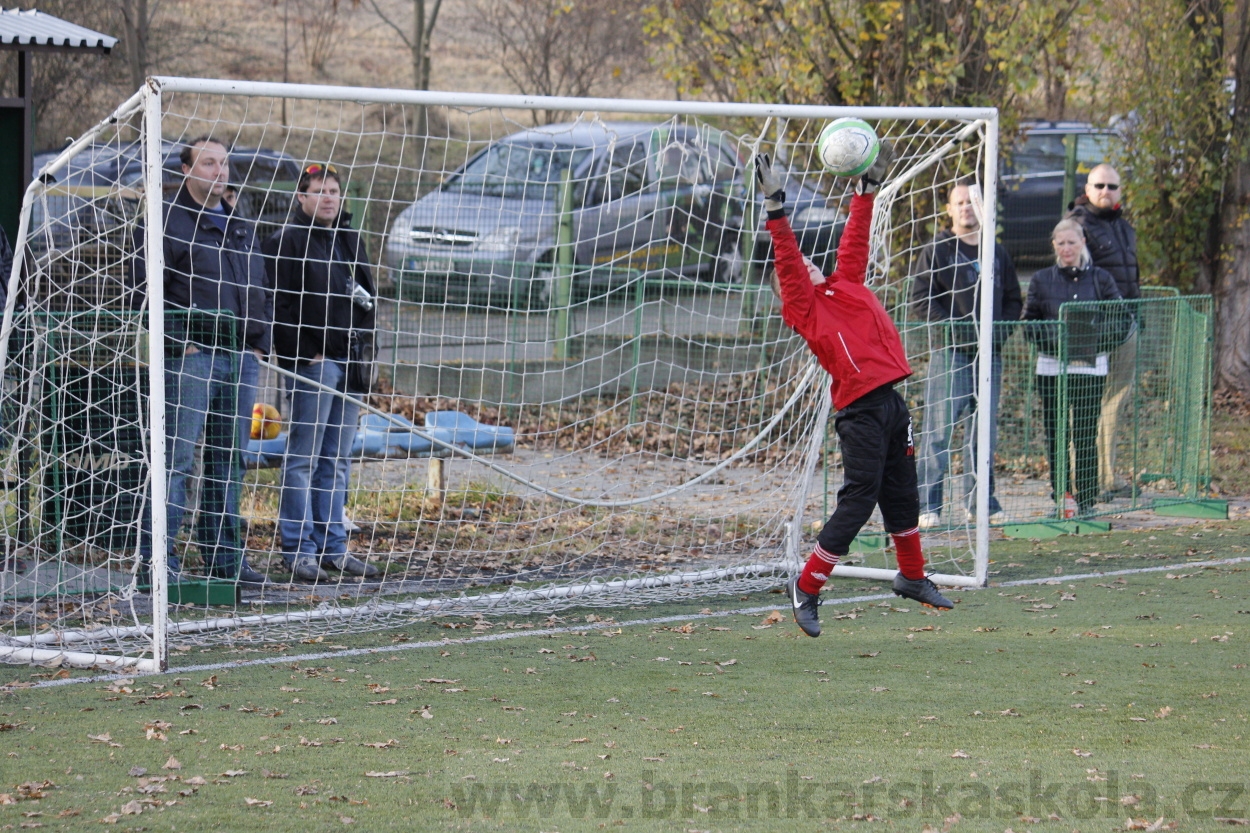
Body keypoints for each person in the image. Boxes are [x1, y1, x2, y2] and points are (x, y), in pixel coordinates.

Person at [754, 148, 954, 639]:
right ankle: (807, 585)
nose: (805, 265)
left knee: (903, 495)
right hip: (859, 411)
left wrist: (865, 193)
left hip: (891, 401)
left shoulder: (846, 284)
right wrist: (776, 207)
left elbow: (855, 242)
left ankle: (911, 576)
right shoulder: (804, 308)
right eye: (798, 268)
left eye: (807, 261)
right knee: (859, 499)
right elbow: (787, 260)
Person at [131, 136, 271, 585]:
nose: (220, 171)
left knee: (228, 459)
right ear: (187, 169)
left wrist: (258, 341)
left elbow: (257, 284)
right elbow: (142, 290)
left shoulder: (237, 221)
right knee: (177, 459)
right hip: (192, 358)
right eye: (209, 163)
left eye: (224, 163)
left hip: (240, 356)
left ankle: (224, 559)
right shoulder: (165, 220)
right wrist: (180, 341)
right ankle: (159, 562)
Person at [264, 163, 378, 582]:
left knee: (338, 457)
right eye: (319, 190)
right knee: (304, 458)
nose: (328, 197)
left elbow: (368, 298)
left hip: (350, 364)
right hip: (315, 363)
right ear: (301, 197)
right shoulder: (287, 241)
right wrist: (304, 352)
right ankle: (298, 549)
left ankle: (334, 546)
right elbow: (277, 305)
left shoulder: (349, 239)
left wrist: (364, 351)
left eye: (334, 190)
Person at [911, 183, 1022, 529]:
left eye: (971, 203)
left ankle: (980, 503)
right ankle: (928, 505)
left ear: (982, 207)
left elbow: (1014, 300)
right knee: (938, 433)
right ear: (948, 209)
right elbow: (920, 299)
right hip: (951, 355)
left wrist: (998, 333)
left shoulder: (996, 252)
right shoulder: (937, 250)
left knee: (982, 434)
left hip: (989, 357)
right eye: (959, 203)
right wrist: (953, 330)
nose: (965, 209)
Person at [1022, 218, 1125, 517]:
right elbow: (1031, 324)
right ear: (1054, 245)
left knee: (1084, 433)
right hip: (1052, 370)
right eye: (1061, 242)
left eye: (1072, 242)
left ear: (1082, 243)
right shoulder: (1041, 280)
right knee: (1056, 433)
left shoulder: (1102, 279)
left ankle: (1087, 499)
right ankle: (1062, 496)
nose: (1067, 248)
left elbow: (1120, 319)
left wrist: (1090, 344)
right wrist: (1059, 345)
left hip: (1090, 370)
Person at [1067, 164, 1139, 500]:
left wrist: (1133, 315)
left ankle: (1108, 476)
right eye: (1100, 185)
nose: (1106, 191)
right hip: (1090, 327)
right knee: (1084, 402)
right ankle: (1079, 479)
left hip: (1125, 325)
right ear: (1087, 187)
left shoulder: (1125, 228)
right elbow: (1076, 276)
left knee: (1115, 400)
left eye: (1112, 186)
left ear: (1120, 191)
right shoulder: (1077, 225)